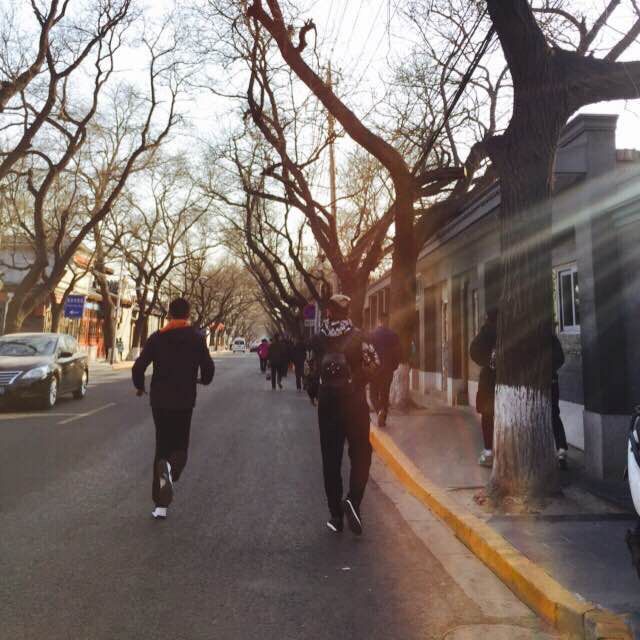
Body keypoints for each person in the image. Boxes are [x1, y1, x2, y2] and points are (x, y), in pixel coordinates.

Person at [132, 297, 215, 520]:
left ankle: (160, 505)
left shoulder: (157, 338)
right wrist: (204, 380)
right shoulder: (197, 339)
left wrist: (139, 386)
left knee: (161, 447)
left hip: (160, 401)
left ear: (169, 314)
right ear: (188, 314)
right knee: (180, 446)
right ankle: (171, 470)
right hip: (184, 400)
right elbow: (208, 368)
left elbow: (138, 367)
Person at [306, 294, 380, 535]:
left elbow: (309, 370)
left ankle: (335, 516)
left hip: (328, 404)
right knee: (361, 454)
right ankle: (353, 500)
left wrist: (315, 392)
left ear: (328, 312)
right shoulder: (360, 336)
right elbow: (374, 364)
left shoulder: (318, 339)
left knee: (331, 458)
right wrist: (357, 382)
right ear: (347, 312)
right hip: (354, 402)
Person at [469, 309, 497, 468]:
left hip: (488, 381)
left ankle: (488, 451)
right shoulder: (508, 329)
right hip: (507, 383)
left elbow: (473, 350)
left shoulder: (486, 332)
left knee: (487, 417)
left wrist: (487, 362)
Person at [369, 312, 401, 427]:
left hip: (375, 369)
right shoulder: (394, 335)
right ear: (387, 321)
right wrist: (394, 366)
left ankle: (379, 411)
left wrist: (370, 366)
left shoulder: (372, 334)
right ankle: (383, 419)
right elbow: (398, 353)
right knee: (385, 394)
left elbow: (368, 352)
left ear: (379, 321)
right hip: (388, 370)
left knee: (373, 394)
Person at [552, 332, 569, 470]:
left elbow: (560, 358)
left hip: (549, 382)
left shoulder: (550, 337)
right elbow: (560, 358)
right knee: (554, 415)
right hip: (551, 381)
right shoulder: (551, 337)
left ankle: (561, 449)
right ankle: (561, 449)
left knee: (553, 415)